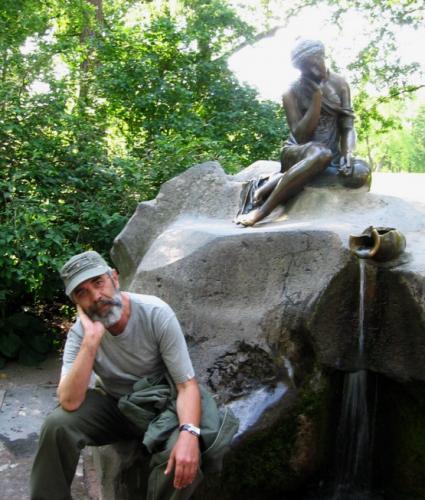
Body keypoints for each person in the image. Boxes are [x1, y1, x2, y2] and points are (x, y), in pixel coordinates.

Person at [30, 250, 237, 500]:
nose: (96, 296)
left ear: (115, 278)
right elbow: (69, 401)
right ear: (77, 303)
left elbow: (186, 385)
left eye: (98, 282)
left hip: (161, 408)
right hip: (116, 406)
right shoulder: (80, 334)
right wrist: (91, 341)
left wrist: (189, 433)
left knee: (180, 457)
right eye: (82, 292)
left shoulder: (155, 313)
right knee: (57, 425)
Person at [236, 39, 370, 227]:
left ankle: (280, 180)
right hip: (298, 152)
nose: (314, 71)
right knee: (321, 154)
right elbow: (301, 136)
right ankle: (263, 210)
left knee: (361, 173)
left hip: (328, 158)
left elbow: (347, 125)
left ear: (322, 56)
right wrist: (316, 99)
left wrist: (347, 153)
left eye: (316, 63)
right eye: (306, 69)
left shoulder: (340, 83)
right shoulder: (291, 92)